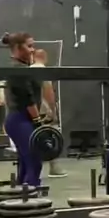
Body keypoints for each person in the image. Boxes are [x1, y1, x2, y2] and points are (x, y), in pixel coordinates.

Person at [2, 32, 43, 187]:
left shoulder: (22, 68)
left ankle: (22, 192)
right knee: (34, 161)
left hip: (22, 119)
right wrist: (38, 121)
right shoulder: (18, 69)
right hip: (20, 119)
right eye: (29, 46)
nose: (33, 50)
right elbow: (27, 98)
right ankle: (30, 194)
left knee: (26, 162)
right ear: (18, 48)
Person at [31, 49, 67, 178]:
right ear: (44, 57)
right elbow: (48, 91)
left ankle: (33, 171)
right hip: (43, 110)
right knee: (51, 136)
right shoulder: (42, 69)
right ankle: (54, 168)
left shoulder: (29, 69)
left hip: (32, 109)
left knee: (34, 138)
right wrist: (53, 110)